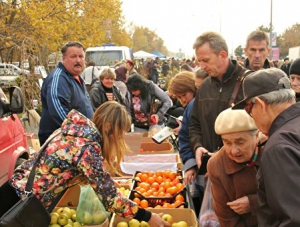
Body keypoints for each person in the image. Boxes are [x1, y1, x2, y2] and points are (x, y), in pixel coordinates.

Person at [10, 102, 170, 227]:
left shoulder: (76, 131)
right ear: (108, 127)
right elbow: (110, 198)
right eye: (120, 132)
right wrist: (148, 217)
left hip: (18, 190)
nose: (121, 137)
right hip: (21, 203)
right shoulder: (87, 147)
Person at [232, 68, 300, 226]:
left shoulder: (279, 148)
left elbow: (293, 220)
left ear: (261, 104)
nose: (250, 115)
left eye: (249, 108)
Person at [189, 31, 247, 180]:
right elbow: (194, 124)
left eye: (206, 60)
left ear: (222, 55)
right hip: (210, 171)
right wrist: (197, 146)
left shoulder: (249, 83)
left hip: (241, 171)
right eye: (199, 61)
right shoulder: (204, 87)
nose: (201, 66)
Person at [207, 108, 265, 227]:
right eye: (227, 143)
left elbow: (289, 197)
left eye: (240, 142)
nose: (233, 151)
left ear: (257, 136)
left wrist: (254, 202)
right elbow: (226, 217)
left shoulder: (273, 151)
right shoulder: (216, 165)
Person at [39, 41, 94, 146]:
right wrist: (81, 133)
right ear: (64, 59)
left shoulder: (78, 77)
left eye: (81, 56)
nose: (78, 60)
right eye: (73, 56)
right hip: (60, 145)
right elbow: (58, 113)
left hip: (79, 142)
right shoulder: (59, 78)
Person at [168, 71, 204, 216]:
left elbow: (185, 136)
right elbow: (185, 137)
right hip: (201, 164)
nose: (182, 100)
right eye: (179, 97)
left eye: (184, 95)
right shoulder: (191, 107)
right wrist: (190, 164)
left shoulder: (197, 104)